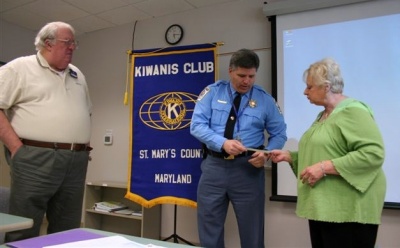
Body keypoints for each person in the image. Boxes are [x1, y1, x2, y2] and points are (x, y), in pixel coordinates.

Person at [270, 58, 386, 248]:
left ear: (326, 87)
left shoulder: (353, 111)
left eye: (309, 87)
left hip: (348, 210)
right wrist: (290, 156)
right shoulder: (324, 114)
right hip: (326, 208)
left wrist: (324, 168)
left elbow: (373, 153)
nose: (305, 92)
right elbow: (325, 150)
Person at [0, 22, 92, 242]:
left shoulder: (77, 74)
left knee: (68, 228)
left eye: (74, 43)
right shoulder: (18, 68)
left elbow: (86, 113)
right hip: (35, 157)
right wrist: (17, 148)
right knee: (25, 225)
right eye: (67, 42)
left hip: (75, 161)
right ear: (47, 43)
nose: (72, 47)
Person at [190, 48, 287, 248]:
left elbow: (280, 133)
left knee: (252, 232)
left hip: (248, 171)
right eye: (241, 75)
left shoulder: (265, 100)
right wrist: (222, 142)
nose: (246, 81)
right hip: (214, 168)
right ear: (231, 71)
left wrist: (266, 153)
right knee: (209, 229)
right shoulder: (212, 92)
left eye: (251, 76)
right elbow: (196, 126)